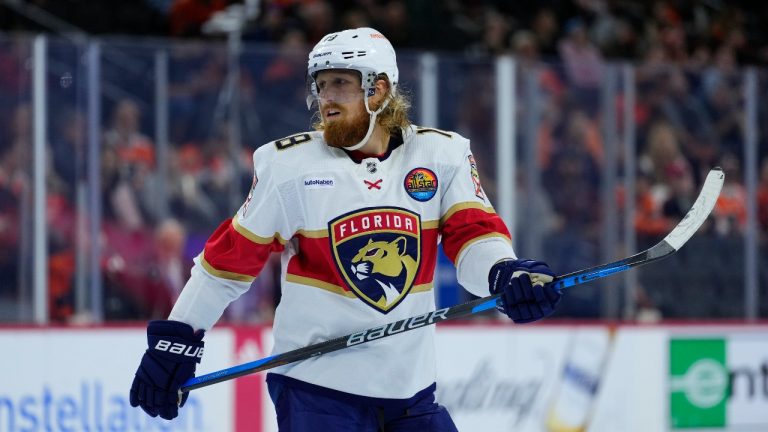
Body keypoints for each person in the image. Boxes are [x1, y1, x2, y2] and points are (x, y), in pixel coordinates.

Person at [129, 27, 563, 431]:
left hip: (409, 392)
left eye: (341, 83)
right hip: (317, 390)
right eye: (321, 85)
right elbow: (226, 265)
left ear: (380, 89)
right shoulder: (290, 167)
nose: (326, 98)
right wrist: (177, 338)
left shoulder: (440, 154)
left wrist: (506, 274)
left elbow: (474, 240)